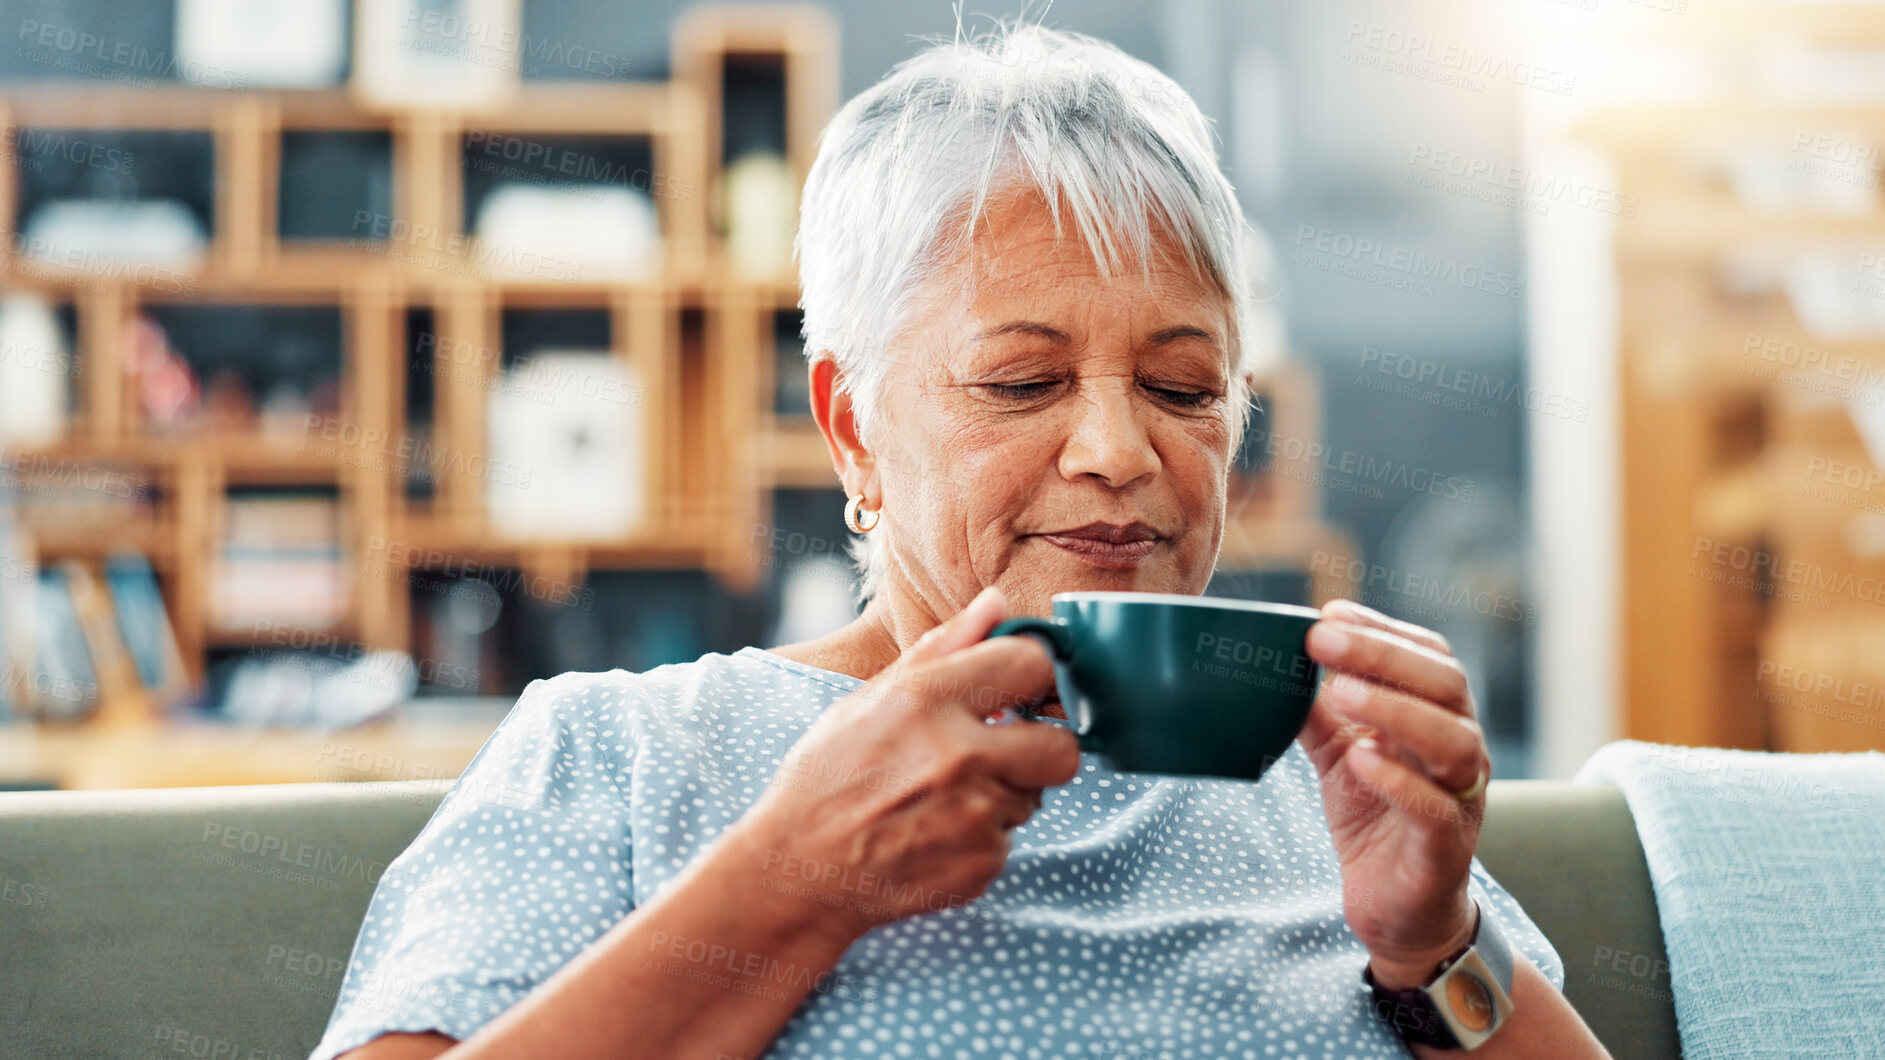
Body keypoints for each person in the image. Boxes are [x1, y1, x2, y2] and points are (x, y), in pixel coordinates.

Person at [314, 20, 1612, 1060]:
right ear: (851, 429)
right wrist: (789, 885)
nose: (1118, 451)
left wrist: (1430, 946)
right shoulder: (623, 757)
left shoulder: (1322, 783)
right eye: (1019, 382)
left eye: (1180, 388)